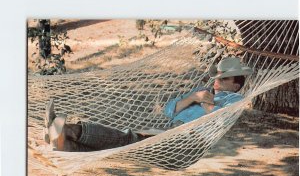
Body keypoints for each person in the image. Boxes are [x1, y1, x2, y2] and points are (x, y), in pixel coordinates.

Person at [44, 57, 252, 152]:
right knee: (124, 141)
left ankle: (70, 130)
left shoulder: (235, 100)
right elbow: (171, 110)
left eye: (225, 79)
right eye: (217, 77)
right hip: (170, 129)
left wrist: (206, 103)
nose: (217, 81)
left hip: (189, 140)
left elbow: (215, 121)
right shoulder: (201, 92)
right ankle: (67, 143)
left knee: (127, 138)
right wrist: (193, 98)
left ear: (236, 85)